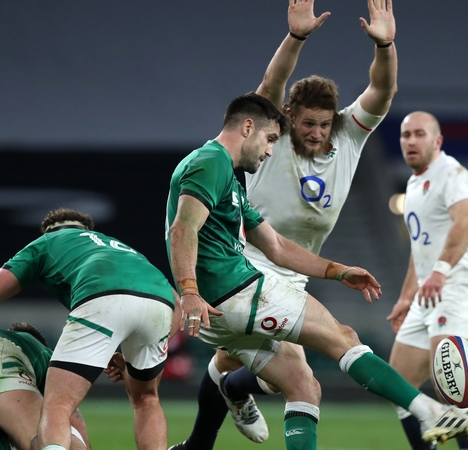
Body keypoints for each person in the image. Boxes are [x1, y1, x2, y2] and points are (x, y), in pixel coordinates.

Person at [165, 92, 468, 450]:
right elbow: (182, 229)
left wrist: (337, 271)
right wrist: (189, 291)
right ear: (248, 127)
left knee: (302, 384)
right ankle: (431, 411)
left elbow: (275, 246)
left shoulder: (229, 181)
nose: (269, 151)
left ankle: (200, 439)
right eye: (270, 139)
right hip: (238, 291)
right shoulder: (211, 161)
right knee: (343, 337)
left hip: (221, 312)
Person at [171, 0, 399, 447]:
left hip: (295, 267)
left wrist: (386, 46)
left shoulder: (348, 134)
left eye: (324, 125)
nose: (316, 132)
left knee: (239, 365)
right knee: (302, 378)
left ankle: (216, 419)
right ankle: (215, 421)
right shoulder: (269, 139)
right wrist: (296, 37)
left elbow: (383, 90)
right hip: (248, 261)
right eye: (307, 124)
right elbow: (271, 85)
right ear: (288, 119)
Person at [0, 208, 178, 450]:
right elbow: (178, 305)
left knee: (57, 404)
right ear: (87, 229)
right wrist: (138, 350)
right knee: (146, 399)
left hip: (101, 298)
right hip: (160, 306)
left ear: (49, 230)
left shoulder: (47, 242)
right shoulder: (118, 246)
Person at [385, 111, 468, 450]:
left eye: (419, 134)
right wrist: (406, 297)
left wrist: (441, 271)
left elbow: (466, 223)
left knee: (454, 387)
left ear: (437, 141)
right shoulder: (414, 182)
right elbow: (421, 250)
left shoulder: (453, 173)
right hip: (428, 294)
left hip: (457, 288)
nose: (411, 141)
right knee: (398, 387)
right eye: (405, 135)